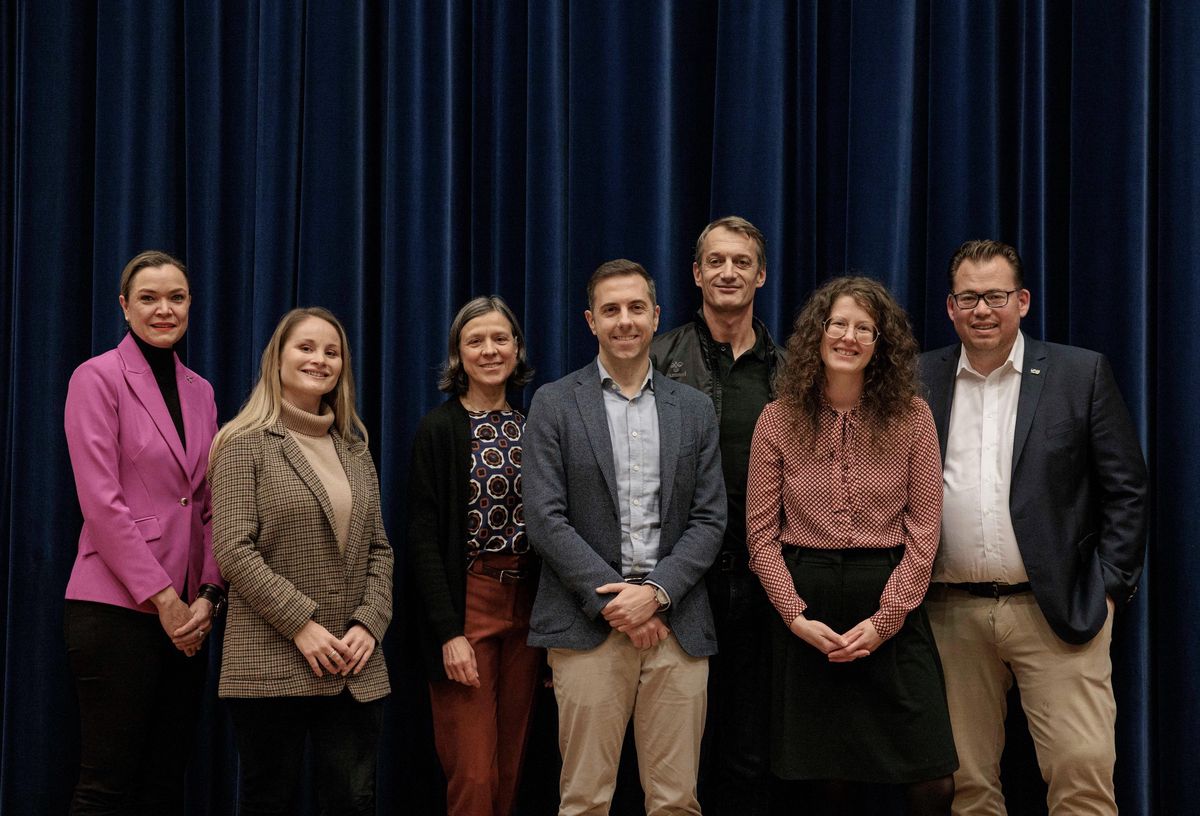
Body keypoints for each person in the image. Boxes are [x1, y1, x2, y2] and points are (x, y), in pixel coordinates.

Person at [919, 239, 1148, 815]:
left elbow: (1127, 489)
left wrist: (1110, 590)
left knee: (1082, 775)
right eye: (968, 297)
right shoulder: (918, 379)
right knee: (965, 787)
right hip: (949, 615)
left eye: (995, 296)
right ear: (950, 307)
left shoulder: (1079, 372)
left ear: (1022, 301)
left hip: (1060, 611)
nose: (982, 310)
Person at [745, 276, 957, 815]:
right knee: (825, 782)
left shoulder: (912, 417)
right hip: (805, 604)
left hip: (891, 601)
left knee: (933, 781)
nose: (849, 336)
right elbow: (761, 537)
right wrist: (794, 616)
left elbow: (925, 529)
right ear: (817, 333)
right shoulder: (777, 419)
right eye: (838, 323)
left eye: (865, 328)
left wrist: (886, 620)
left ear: (881, 345)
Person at [524, 259, 726, 816]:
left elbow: (710, 520)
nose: (624, 320)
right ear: (590, 321)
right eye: (610, 310)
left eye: (636, 308)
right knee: (585, 800)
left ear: (656, 316)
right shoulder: (554, 402)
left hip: (677, 626)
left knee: (676, 801)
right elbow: (545, 517)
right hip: (586, 625)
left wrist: (656, 594)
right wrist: (619, 603)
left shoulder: (695, 408)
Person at [209, 307, 393, 815]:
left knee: (353, 802)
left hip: (354, 665)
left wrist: (370, 625)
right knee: (270, 800)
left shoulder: (356, 450)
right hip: (270, 660)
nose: (320, 360)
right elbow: (233, 550)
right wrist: (302, 625)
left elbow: (380, 548)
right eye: (306, 348)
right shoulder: (240, 443)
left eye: (331, 352)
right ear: (278, 358)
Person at [63, 249, 225, 815]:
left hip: (187, 615)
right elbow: (102, 504)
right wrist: (165, 601)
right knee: (107, 786)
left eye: (176, 297)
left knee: (164, 784)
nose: (164, 309)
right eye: (150, 298)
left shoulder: (201, 391)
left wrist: (206, 596)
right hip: (115, 610)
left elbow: (207, 504)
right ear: (124, 306)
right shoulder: (96, 377)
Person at [651, 215, 785, 815]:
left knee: (750, 750)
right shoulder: (655, 360)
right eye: (716, 261)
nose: (728, 271)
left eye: (741, 262)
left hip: (763, 582)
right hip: (680, 584)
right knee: (673, 753)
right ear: (697, 273)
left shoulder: (790, 370)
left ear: (760, 275)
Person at [408, 295, 541, 816]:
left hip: (528, 604)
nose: (490, 350)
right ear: (458, 355)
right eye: (475, 341)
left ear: (517, 348)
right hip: (469, 604)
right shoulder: (439, 429)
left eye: (500, 339)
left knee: (512, 764)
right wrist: (448, 632)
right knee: (474, 770)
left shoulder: (534, 427)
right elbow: (420, 538)